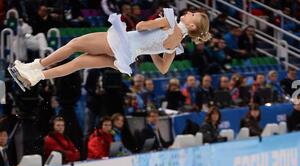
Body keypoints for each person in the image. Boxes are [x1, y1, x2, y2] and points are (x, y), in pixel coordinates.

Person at [11, 9, 211, 89]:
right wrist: (153, 51)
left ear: (192, 26)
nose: (189, 12)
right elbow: (163, 69)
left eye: (192, 14)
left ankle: (34, 66)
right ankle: (36, 77)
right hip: (125, 57)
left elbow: (140, 27)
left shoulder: (169, 21)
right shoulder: (176, 46)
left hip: (120, 43)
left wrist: (155, 21)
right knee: (79, 63)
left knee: (74, 45)